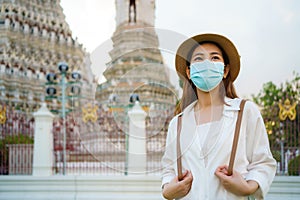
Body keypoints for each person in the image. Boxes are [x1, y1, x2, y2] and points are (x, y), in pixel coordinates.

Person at [161, 33, 276, 199]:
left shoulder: (245, 112)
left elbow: (263, 162)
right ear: (189, 72)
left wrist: (248, 187)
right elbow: (168, 169)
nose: (207, 63)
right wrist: (168, 191)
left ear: (225, 70)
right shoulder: (177, 123)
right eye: (199, 59)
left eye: (214, 58)